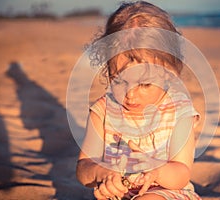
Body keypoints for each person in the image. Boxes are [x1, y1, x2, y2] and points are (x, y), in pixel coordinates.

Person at [76, 1, 201, 199]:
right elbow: (83, 168)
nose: (130, 94)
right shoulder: (102, 111)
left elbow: (181, 174)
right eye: (120, 81)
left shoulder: (179, 111)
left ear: (170, 74)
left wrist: (157, 170)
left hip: (166, 192)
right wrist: (104, 174)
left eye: (144, 84)